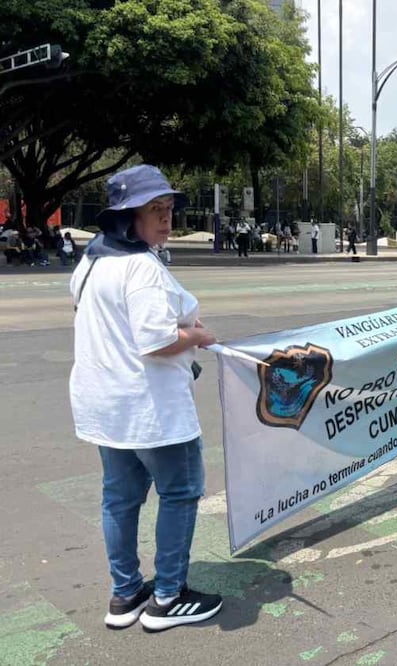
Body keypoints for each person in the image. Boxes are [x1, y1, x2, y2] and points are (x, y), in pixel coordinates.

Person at [69, 164, 222, 632]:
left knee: (119, 499)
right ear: (126, 216)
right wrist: (196, 334)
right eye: (154, 210)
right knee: (179, 493)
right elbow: (154, 341)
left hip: (105, 404)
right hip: (152, 409)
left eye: (169, 208)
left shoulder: (91, 261)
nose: (165, 218)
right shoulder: (142, 267)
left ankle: (126, 593)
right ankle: (168, 597)